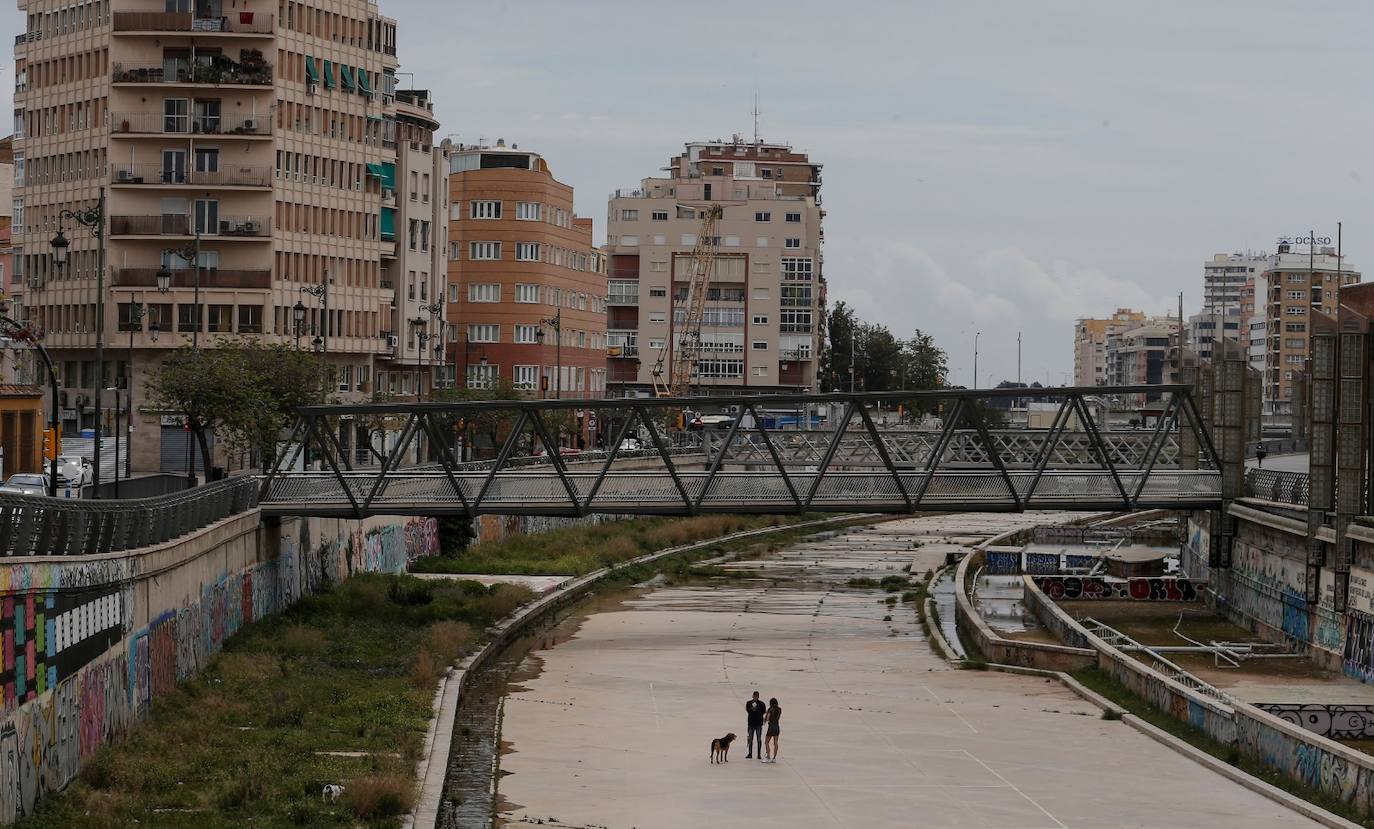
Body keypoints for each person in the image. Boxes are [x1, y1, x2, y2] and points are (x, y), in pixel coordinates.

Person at [745, 691, 766, 759]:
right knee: (750, 739)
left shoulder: (762, 704)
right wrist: (752, 709)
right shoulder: (748, 703)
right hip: (751, 724)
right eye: (754, 696)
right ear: (752, 696)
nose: (755, 697)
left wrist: (757, 711)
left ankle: (759, 754)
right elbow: (748, 711)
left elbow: (763, 711)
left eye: (756, 696)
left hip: (758, 724)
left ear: (758, 697)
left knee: (759, 739)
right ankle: (750, 753)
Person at [763, 697, 782, 763]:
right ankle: (774, 758)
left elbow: (767, 718)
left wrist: (764, 720)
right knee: (775, 743)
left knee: (766, 742)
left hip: (771, 727)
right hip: (777, 726)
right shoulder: (779, 709)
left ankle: (768, 756)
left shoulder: (770, 709)